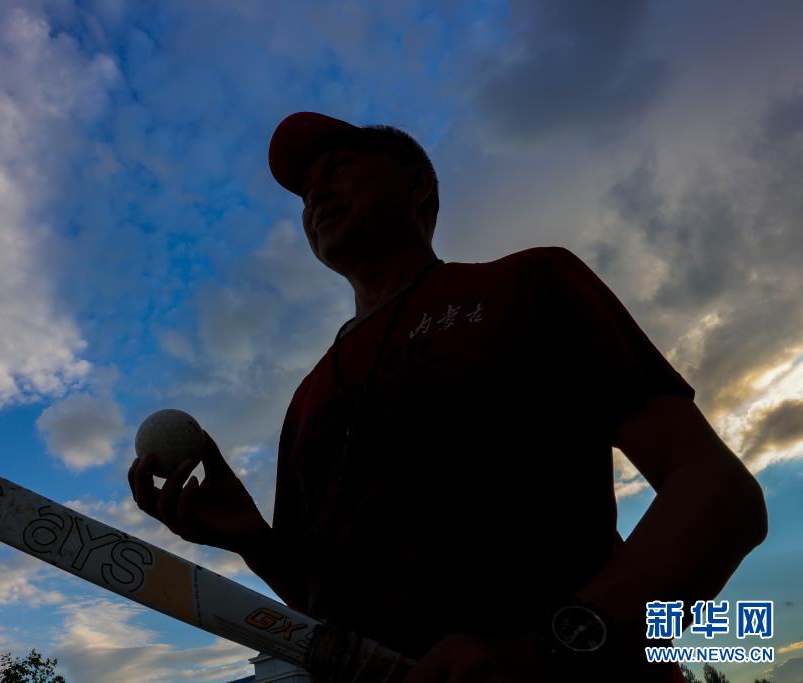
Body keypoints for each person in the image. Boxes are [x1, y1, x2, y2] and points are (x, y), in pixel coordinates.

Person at [128, 112, 768, 682]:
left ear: (417, 186)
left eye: (340, 167)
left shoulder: (530, 284)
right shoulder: (307, 400)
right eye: (304, 191)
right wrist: (255, 541)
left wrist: (549, 652)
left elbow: (719, 495)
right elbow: (330, 604)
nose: (315, 192)